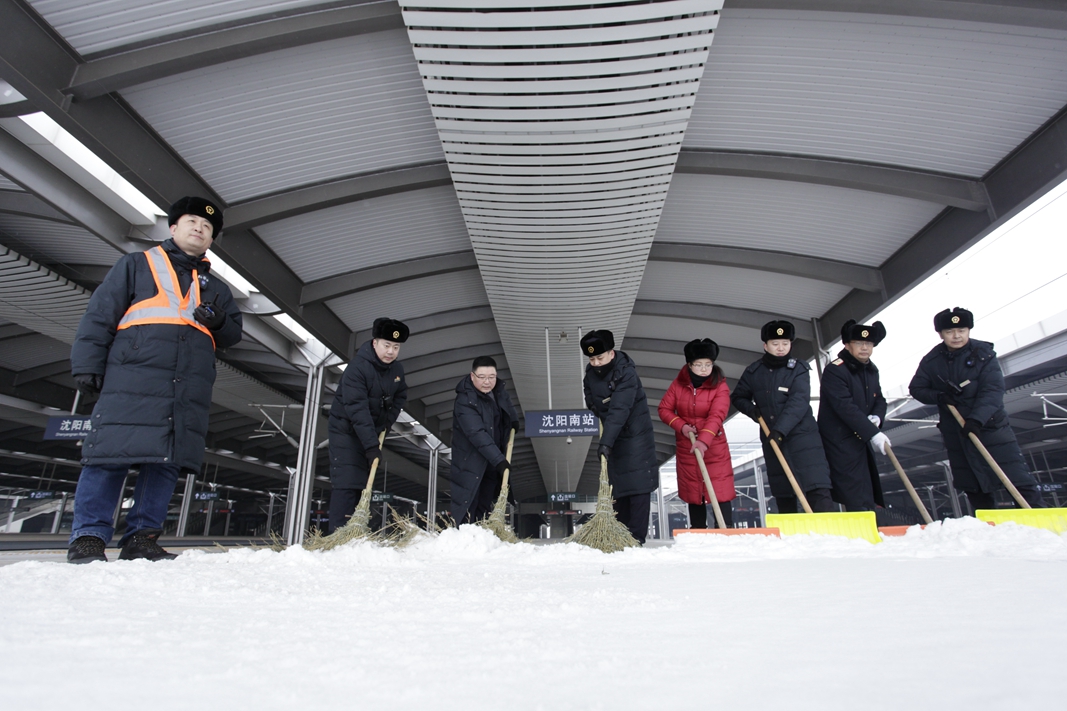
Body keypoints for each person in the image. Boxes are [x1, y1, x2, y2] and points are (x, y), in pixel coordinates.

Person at [66, 197, 242, 563]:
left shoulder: (216, 288)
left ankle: (142, 538)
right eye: (192, 222)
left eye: (207, 228)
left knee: (165, 461)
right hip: (132, 379)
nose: (200, 229)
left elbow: (233, 335)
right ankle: (89, 536)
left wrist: (219, 322)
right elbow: (100, 315)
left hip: (186, 388)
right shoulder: (136, 265)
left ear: (211, 240)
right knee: (109, 454)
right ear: (173, 227)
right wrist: (87, 364)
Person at [909, 307, 1044, 510]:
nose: (956, 336)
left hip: (991, 428)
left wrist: (977, 419)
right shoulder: (932, 361)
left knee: (1016, 477)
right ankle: (986, 527)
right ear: (940, 334)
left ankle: (1037, 517)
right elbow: (917, 388)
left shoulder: (984, 354)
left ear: (969, 330)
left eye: (962, 330)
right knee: (973, 483)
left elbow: (993, 390)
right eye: (950, 332)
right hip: (957, 432)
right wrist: (939, 395)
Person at [731, 320, 835, 513]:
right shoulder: (754, 372)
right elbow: (738, 396)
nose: (781, 348)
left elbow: (798, 402)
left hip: (803, 439)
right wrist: (752, 410)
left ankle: (827, 534)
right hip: (773, 440)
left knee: (816, 486)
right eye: (775, 344)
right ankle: (790, 539)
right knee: (783, 490)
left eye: (785, 344)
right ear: (765, 345)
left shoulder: (799, 369)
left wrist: (780, 430)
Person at [327, 317, 409, 532]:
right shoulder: (358, 368)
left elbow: (400, 397)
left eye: (396, 347)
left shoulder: (396, 370)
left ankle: (356, 533)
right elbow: (357, 410)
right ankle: (338, 533)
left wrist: (386, 423)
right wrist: (372, 445)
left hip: (370, 432)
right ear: (375, 343)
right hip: (346, 432)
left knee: (364, 484)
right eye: (386, 345)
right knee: (347, 481)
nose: (390, 351)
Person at [581, 329, 658, 543]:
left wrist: (605, 442)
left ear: (611, 353)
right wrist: (607, 430)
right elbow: (591, 401)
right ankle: (621, 536)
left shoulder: (626, 372)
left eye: (600, 357)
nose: (596, 363)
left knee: (638, 484)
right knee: (619, 487)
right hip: (614, 437)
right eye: (592, 359)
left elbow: (620, 410)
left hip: (635, 438)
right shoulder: (590, 374)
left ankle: (636, 538)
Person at [658, 338, 735, 528]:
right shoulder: (678, 385)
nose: (704, 369)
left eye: (708, 364)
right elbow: (664, 409)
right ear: (690, 365)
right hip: (687, 447)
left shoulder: (720, 386)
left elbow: (717, 415)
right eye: (699, 364)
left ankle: (725, 528)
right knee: (694, 489)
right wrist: (681, 426)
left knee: (720, 487)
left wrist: (704, 440)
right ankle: (698, 529)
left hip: (714, 447)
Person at [819, 320, 890, 516]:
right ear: (847, 344)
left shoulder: (870, 369)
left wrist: (877, 417)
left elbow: (879, 398)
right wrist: (873, 433)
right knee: (853, 491)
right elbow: (844, 406)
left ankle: (869, 529)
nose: (865, 347)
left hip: (861, 439)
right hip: (841, 441)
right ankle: (860, 536)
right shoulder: (836, 370)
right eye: (859, 343)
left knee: (867, 490)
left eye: (868, 344)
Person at [450, 356, 519, 524]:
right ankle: (464, 543)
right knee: (468, 506)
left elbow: (508, 407)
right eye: (482, 377)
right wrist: (500, 460)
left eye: (491, 377)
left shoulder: (499, 391)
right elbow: (477, 434)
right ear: (473, 376)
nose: (487, 382)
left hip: (490, 463)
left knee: (485, 505)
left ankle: (483, 539)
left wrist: (514, 421)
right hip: (471, 463)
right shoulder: (465, 400)